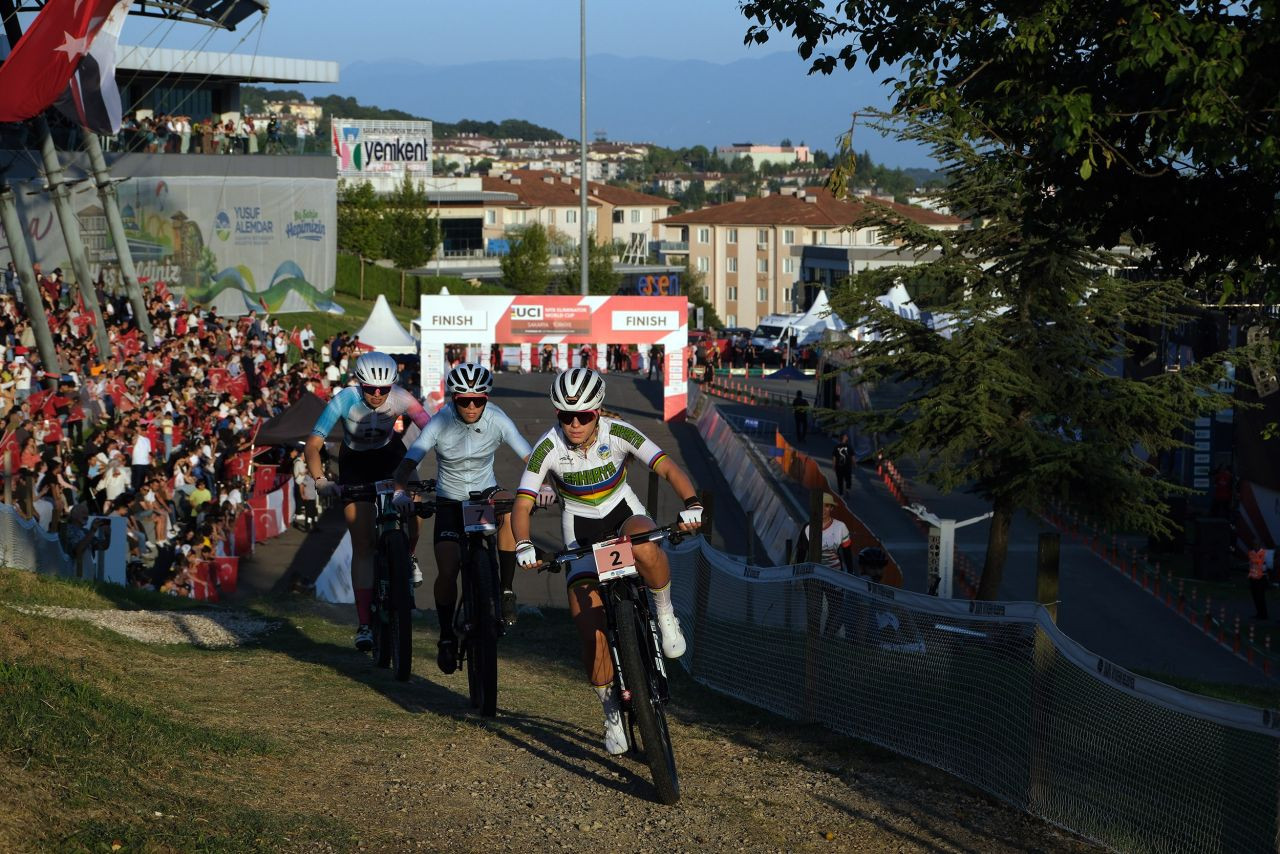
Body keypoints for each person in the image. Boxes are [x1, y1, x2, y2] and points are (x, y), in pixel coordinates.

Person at [511, 368, 703, 755]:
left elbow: (666, 466)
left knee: (645, 546)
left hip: (623, 514)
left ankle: (665, 614)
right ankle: (610, 710)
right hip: (579, 531)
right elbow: (522, 502)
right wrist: (524, 543)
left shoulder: (618, 432)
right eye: (566, 416)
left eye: (583, 415)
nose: (575, 424)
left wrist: (693, 504)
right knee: (590, 630)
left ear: (597, 411)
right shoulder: (548, 446)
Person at [392, 363, 552, 674]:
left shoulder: (497, 418)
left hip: (485, 493)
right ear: (454, 399)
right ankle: (446, 635)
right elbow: (408, 462)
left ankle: (505, 589)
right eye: (464, 400)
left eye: (478, 400)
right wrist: (399, 491)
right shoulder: (440, 422)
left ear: (486, 399)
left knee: (511, 505)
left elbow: (530, 458)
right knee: (447, 569)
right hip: (450, 500)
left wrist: (543, 485)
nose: (471, 406)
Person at [305, 351, 432, 651]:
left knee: (415, 503)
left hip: (391, 456)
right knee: (363, 544)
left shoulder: (402, 397)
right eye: (370, 388)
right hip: (356, 464)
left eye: (383, 389)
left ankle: (409, 555)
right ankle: (364, 624)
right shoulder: (344, 399)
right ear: (359, 384)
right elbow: (313, 444)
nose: (377, 394)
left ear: (392, 386)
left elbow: (433, 428)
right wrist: (320, 480)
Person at [794, 493, 853, 573]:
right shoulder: (807, 528)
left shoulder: (840, 527)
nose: (823, 509)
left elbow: (847, 553)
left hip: (835, 574)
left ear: (831, 508)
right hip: (813, 573)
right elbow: (801, 552)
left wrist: (850, 572)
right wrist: (797, 572)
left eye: (827, 506)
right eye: (820, 505)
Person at [1248, 544, 1269, 620]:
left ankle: (1263, 614)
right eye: (1254, 544)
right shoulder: (1252, 553)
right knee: (1255, 596)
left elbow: (1265, 565)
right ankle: (1259, 613)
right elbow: (1251, 564)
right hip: (1253, 577)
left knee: (1260, 596)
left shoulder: (1264, 553)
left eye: (1257, 544)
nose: (1255, 546)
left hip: (1261, 577)